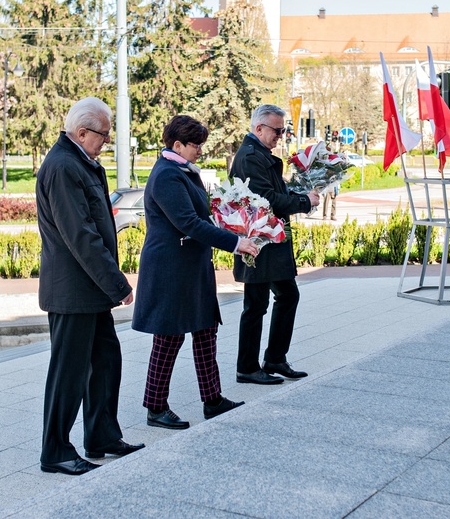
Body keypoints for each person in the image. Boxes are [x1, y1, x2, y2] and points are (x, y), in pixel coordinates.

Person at [36, 97, 144, 476]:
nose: (106, 143)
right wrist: (116, 283)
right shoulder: (64, 166)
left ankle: (101, 436)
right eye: (103, 136)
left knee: (105, 361)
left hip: (89, 291)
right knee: (70, 372)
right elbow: (80, 236)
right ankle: (56, 451)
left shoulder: (81, 162)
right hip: (72, 292)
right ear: (82, 133)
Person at [132, 115, 258, 429]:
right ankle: (156, 407)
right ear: (177, 145)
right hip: (171, 269)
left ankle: (212, 399)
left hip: (191, 266)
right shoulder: (167, 175)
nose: (199, 150)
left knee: (204, 331)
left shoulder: (183, 171)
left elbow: (201, 215)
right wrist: (235, 242)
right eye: (195, 144)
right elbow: (187, 222)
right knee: (169, 337)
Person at [229, 104, 320, 384]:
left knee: (284, 296)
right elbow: (267, 199)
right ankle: (248, 366)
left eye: (283, 130)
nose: (281, 135)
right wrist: (304, 202)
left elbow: (275, 191)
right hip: (259, 244)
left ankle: (275, 359)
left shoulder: (260, 154)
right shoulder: (250, 156)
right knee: (256, 305)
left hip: (267, 242)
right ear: (259, 128)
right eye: (277, 130)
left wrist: (300, 193)